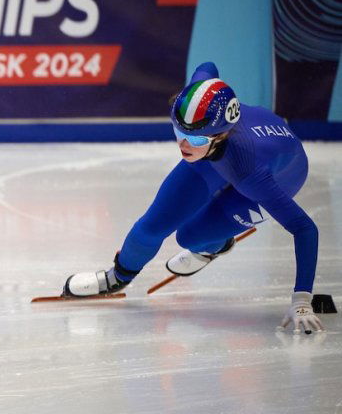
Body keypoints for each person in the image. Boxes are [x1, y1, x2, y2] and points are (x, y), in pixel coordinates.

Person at [62, 62, 325, 334]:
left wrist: (302, 300)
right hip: (218, 156)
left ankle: (216, 245)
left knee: (190, 237)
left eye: (195, 140)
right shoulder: (198, 114)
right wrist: (196, 121)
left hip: (281, 172)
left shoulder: (250, 174)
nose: (184, 146)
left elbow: (305, 228)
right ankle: (117, 277)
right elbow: (207, 67)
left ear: (220, 134)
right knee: (154, 224)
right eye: (179, 133)